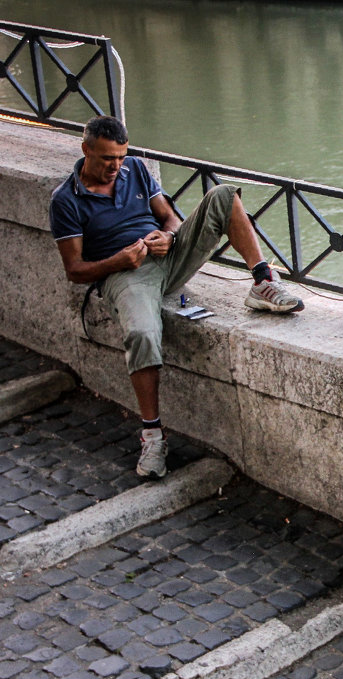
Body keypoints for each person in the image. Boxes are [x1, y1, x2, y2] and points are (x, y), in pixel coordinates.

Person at [49, 116, 304, 479]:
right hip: (124, 274)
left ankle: (262, 282)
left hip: (166, 255)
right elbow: (74, 269)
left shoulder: (134, 169)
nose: (115, 166)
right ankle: (152, 435)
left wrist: (169, 236)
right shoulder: (65, 201)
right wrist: (118, 260)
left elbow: (169, 217)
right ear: (86, 149)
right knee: (141, 334)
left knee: (223, 194)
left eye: (120, 157)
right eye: (107, 158)